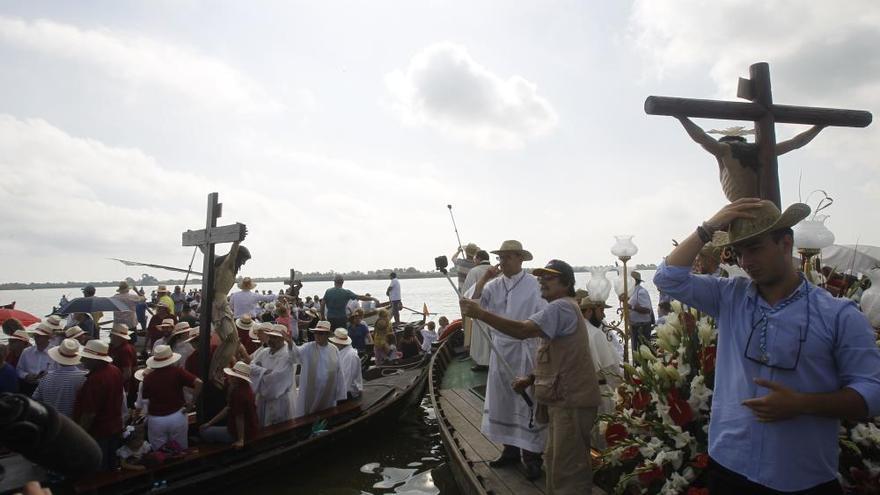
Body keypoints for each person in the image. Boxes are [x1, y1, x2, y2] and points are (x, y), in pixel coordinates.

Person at [654, 198, 880, 494]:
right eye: (739, 251)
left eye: (755, 248)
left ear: (785, 244)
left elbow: (873, 392)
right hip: (729, 465)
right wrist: (707, 228)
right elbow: (667, 278)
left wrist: (803, 404)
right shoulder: (729, 297)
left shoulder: (838, 315)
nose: (745, 262)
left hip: (799, 476)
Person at [461, 259, 601, 494]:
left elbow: (523, 331)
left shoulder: (561, 307)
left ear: (566, 283)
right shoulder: (563, 307)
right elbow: (557, 356)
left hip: (571, 402)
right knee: (557, 462)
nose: (542, 281)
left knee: (568, 469)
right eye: (540, 277)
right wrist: (531, 378)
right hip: (563, 400)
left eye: (550, 277)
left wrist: (482, 314)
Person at [470, 239, 547, 480]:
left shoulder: (535, 285)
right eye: (500, 257)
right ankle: (510, 450)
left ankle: (533, 456)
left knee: (527, 402)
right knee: (503, 400)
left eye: (507, 257)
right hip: (501, 349)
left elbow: (544, 317)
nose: (502, 262)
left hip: (526, 349)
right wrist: (483, 278)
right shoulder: (493, 285)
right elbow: (472, 304)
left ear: (520, 258)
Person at [675, 117, 825, 202]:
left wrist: (681, 117)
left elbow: (701, 138)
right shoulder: (762, 150)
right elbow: (797, 142)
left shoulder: (724, 150)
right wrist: (819, 126)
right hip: (765, 207)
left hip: (743, 208)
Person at [74, 339, 125, 471]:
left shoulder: (95, 380)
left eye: (86, 358)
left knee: (99, 466)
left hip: (99, 430)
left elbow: (89, 413)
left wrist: (81, 433)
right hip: (114, 425)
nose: (82, 360)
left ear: (95, 360)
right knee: (111, 462)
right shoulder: (115, 370)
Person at [141, 345, 203, 450]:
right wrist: (191, 404)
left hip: (156, 420)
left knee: (159, 453)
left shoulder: (148, 379)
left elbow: (145, 399)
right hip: (177, 416)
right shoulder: (177, 372)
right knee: (181, 450)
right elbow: (199, 383)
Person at [579, 299, 623, 422]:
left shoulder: (572, 331)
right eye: (601, 311)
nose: (603, 315)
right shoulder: (595, 334)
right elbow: (611, 370)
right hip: (599, 394)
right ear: (588, 311)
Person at [291, 321, 346, 418]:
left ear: (327, 335)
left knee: (326, 417)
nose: (317, 335)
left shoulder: (334, 349)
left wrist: (340, 393)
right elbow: (296, 355)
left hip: (328, 394)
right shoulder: (308, 347)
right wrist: (290, 344)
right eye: (316, 333)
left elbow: (339, 371)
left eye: (321, 333)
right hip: (311, 392)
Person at [200, 361, 258, 449]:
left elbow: (239, 418)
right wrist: (209, 423)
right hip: (250, 428)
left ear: (237, 378)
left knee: (205, 432)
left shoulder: (239, 394)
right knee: (209, 428)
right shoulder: (246, 388)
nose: (229, 377)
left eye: (232, 375)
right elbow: (228, 408)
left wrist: (241, 440)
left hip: (241, 432)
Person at [249, 325, 297, 427]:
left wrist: (260, 373)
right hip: (262, 400)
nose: (271, 340)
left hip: (279, 401)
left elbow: (275, 379)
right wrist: (264, 371)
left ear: (282, 339)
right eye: (270, 337)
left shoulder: (287, 355)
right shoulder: (264, 352)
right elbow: (251, 367)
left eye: (275, 337)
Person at [34, 338, 87, 418]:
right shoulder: (83, 378)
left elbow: (35, 399)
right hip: (71, 424)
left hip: (51, 420)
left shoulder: (46, 377)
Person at [465, 250, 493, 370]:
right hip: (495, 310)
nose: (473, 261)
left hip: (479, 308)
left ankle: (482, 362)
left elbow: (467, 292)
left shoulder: (474, 271)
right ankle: (493, 361)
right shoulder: (496, 270)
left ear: (478, 258)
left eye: (474, 258)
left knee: (481, 337)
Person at [17, 324, 54, 396]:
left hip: (47, 388)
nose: (36, 338)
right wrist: (26, 376)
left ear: (47, 337)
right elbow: (19, 369)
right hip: (28, 386)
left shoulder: (55, 353)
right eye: (35, 335)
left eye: (40, 336)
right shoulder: (26, 351)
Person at [109, 324, 137, 408]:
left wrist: (115, 384)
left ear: (118, 337)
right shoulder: (115, 347)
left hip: (124, 387)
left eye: (112, 335)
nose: (110, 336)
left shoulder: (125, 350)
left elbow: (127, 373)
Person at [330, 328, 362, 400]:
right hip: (343, 391)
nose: (333, 344)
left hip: (348, 394)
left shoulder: (350, 355)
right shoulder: (342, 352)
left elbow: (347, 382)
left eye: (334, 342)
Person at [627, 271, 654, 355]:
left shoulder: (641, 292)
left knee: (642, 352)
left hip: (642, 327)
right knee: (636, 351)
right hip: (635, 326)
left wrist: (632, 307)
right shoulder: (633, 291)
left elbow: (647, 310)